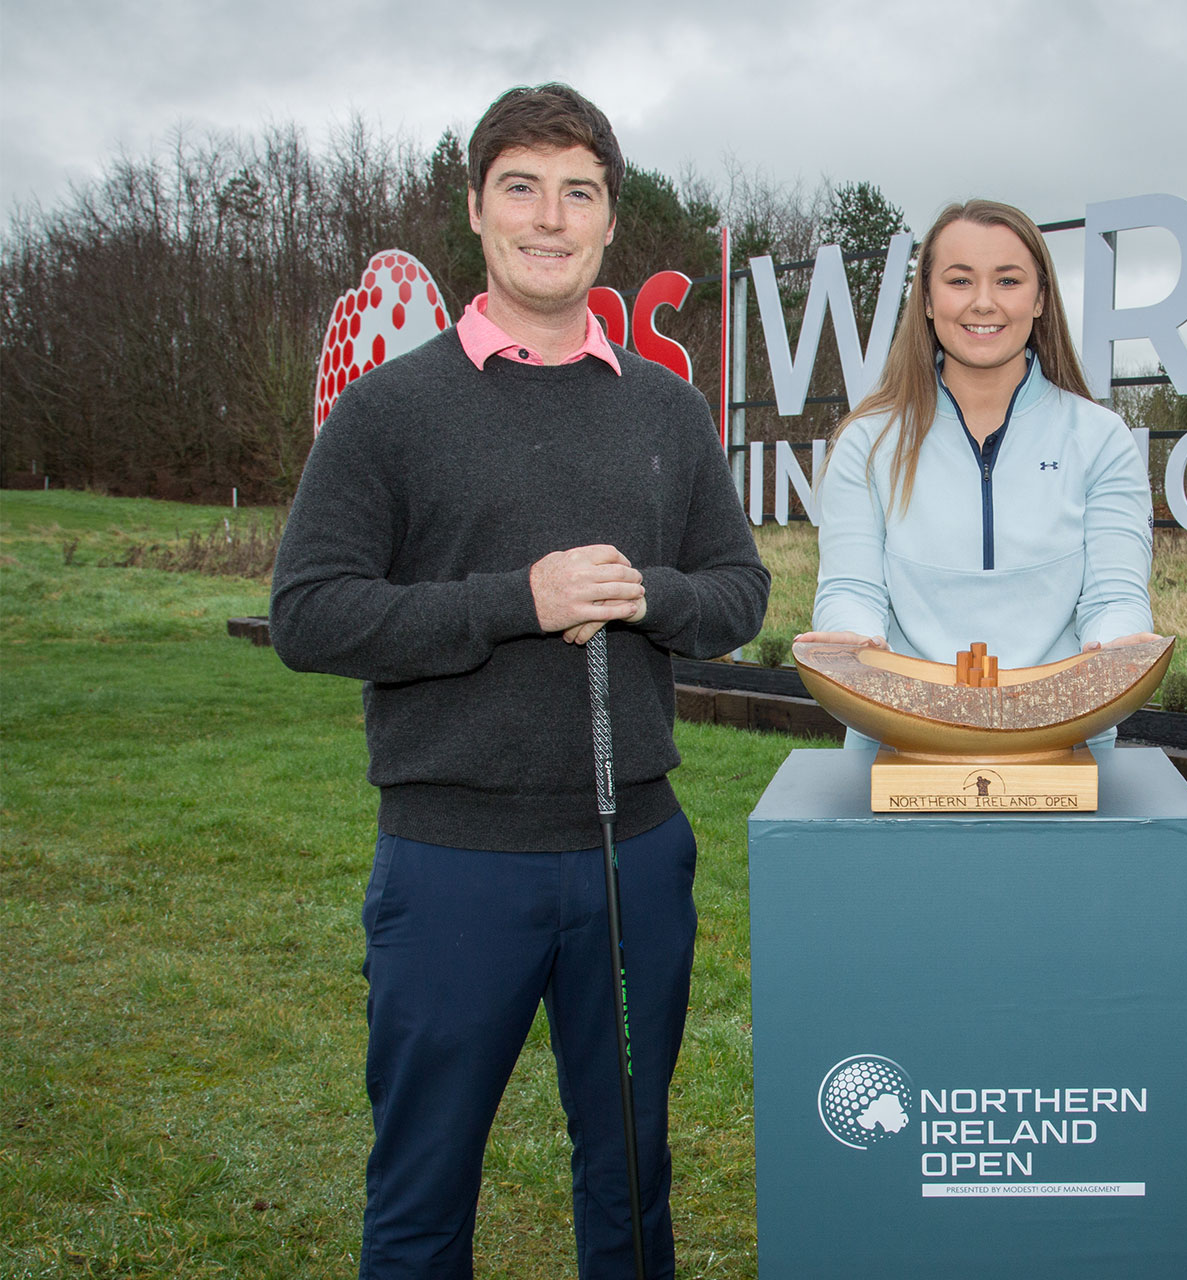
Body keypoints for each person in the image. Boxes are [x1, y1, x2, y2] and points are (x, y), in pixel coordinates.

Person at [270, 83, 768, 1279]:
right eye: (523, 188)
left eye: (579, 192)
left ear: (608, 224)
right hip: (452, 864)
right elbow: (309, 613)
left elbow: (738, 592)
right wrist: (516, 602)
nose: (551, 217)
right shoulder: (393, 407)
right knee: (423, 1188)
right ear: (479, 213)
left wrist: (652, 592)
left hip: (634, 857)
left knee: (631, 1183)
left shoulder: (666, 407)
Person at [798, 199, 1156, 728]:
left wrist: (1125, 644)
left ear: (1040, 300)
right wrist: (853, 644)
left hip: (1067, 741)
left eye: (1008, 281)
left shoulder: (1101, 439)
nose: (984, 303)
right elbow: (850, 592)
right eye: (960, 281)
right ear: (926, 298)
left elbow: (1114, 597)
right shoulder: (866, 443)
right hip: (898, 740)